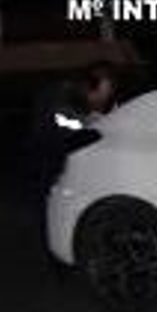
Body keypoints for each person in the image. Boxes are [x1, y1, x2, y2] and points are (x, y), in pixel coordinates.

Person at [24, 61, 120, 266]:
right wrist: (97, 123)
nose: (103, 99)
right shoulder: (56, 97)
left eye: (108, 93)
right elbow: (68, 124)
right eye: (102, 93)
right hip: (44, 163)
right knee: (48, 211)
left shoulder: (75, 96)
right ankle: (54, 261)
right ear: (88, 87)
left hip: (58, 159)